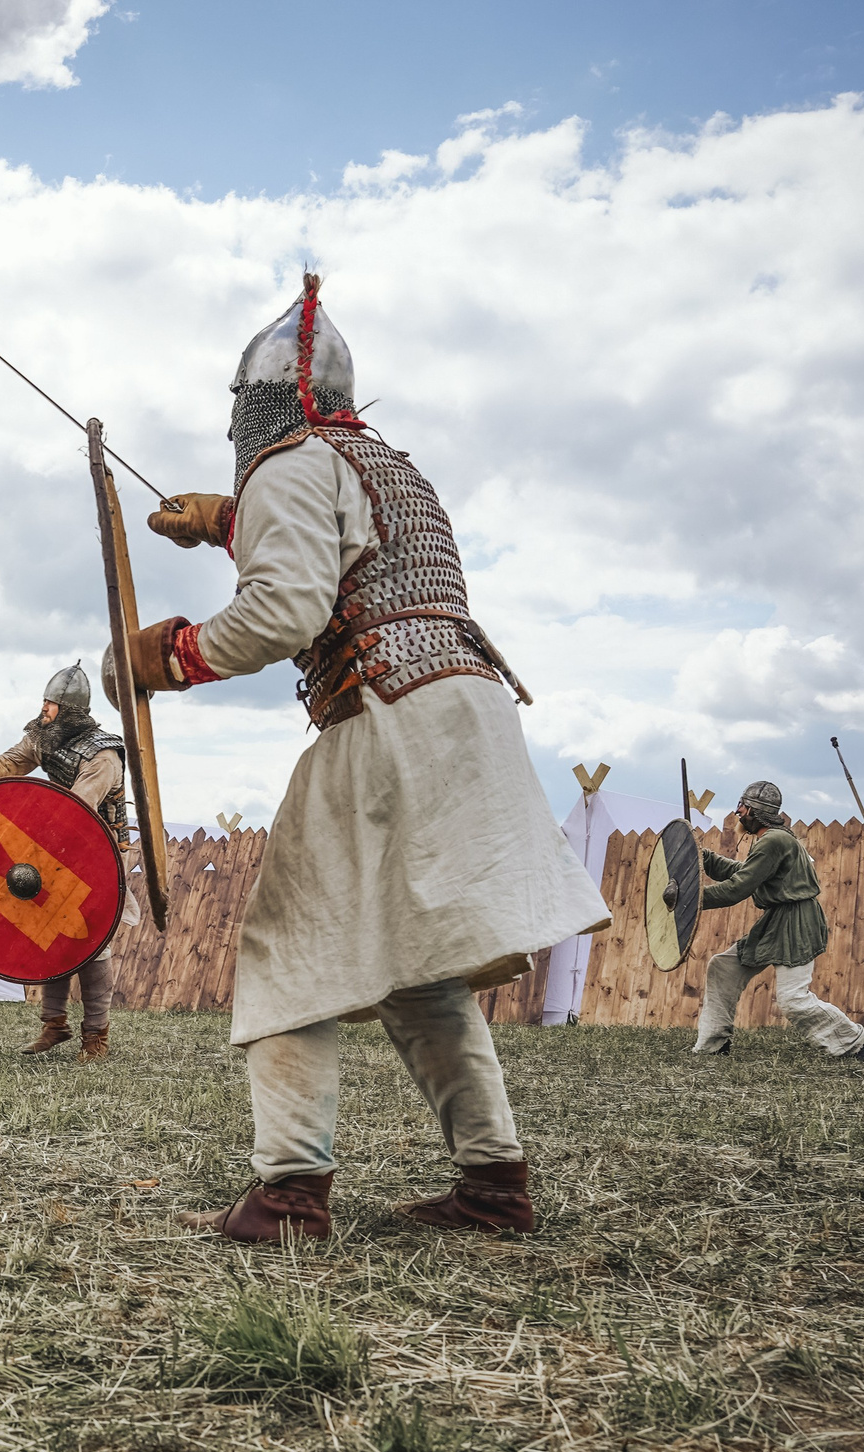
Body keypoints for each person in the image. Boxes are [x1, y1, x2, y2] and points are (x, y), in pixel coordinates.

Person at [122, 276, 610, 1243]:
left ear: (256, 405)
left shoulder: (286, 464)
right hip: (464, 711)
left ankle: (289, 1195)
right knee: (417, 967)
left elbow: (284, 609)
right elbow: (347, 553)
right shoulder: (389, 466)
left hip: (384, 708)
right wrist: (225, 520)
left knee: (288, 944)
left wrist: (170, 655)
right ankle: (494, 1183)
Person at [0, 661, 135, 1059]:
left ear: (71, 710)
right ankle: (54, 1025)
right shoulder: (43, 738)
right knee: (47, 936)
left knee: (92, 943)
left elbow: (78, 810)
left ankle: (96, 1036)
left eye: (51, 703)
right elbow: (4, 771)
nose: (44, 708)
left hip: (98, 856)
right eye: (44, 701)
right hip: (55, 850)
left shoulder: (103, 755)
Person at [672, 781, 864, 1063]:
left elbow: (737, 888)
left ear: (754, 811)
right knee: (723, 967)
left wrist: (689, 899)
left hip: (797, 922)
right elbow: (744, 871)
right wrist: (704, 857)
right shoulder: (774, 839)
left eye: (742, 806)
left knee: (793, 999)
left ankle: (857, 1044)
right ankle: (713, 1044)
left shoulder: (774, 841)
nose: (738, 812)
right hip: (776, 920)